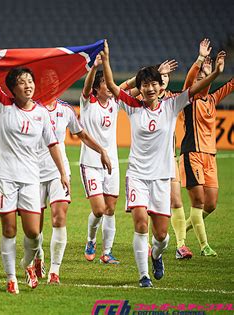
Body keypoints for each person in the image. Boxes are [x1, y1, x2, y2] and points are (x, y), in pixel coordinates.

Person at [100, 40, 226, 288]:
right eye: (144, 84)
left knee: (161, 236)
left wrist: (216, 73)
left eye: (153, 84)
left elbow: (195, 88)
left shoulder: (172, 105)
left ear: (160, 87)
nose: (148, 88)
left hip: (161, 178)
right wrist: (105, 61)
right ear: (141, 87)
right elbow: (113, 87)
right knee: (140, 224)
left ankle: (157, 256)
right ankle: (143, 276)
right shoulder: (133, 106)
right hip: (137, 175)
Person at [0, 37, 70, 294]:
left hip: (32, 178)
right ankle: (11, 278)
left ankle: (27, 263)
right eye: (22, 82)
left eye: (30, 81)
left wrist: (63, 173)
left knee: (33, 233)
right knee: (9, 229)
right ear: (13, 88)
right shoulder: (3, 105)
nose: (28, 86)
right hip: (5, 177)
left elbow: (53, 144)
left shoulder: (41, 112)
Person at [35, 66, 112, 285]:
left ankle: (54, 271)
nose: (51, 84)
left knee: (59, 217)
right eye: (46, 81)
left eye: (54, 80)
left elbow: (82, 135)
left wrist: (102, 151)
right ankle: (38, 255)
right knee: (35, 228)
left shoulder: (66, 110)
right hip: (32, 172)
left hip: (59, 172)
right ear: (40, 85)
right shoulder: (31, 109)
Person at [180, 53, 233, 257]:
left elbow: (229, 86)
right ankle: (204, 245)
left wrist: (216, 72)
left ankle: (181, 231)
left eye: (206, 78)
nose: (203, 81)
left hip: (210, 156)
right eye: (200, 78)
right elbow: (189, 82)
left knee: (210, 204)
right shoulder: (189, 99)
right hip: (191, 153)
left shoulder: (212, 99)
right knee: (199, 201)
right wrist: (200, 61)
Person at [79, 55, 120, 265]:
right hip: (91, 163)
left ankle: (107, 252)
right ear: (97, 88)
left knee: (110, 209)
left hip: (111, 163)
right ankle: (91, 240)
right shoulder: (87, 103)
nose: (108, 86)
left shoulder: (115, 102)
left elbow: (128, 86)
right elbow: (86, 88)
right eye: (104, 83)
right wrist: (94, 68)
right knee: (98, 209)